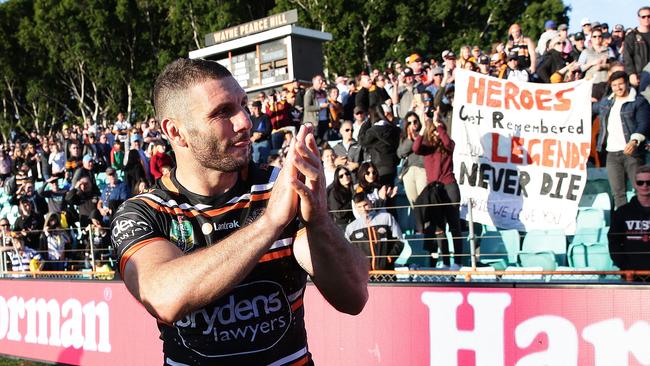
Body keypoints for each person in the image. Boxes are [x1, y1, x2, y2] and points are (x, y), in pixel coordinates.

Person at [110, 58, 368, 365]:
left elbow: (354, 297)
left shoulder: (280, 185)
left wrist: (319, 221)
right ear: (176, 132)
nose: (245, 121)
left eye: (243, 104)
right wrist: (270, 223)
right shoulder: (145, 212)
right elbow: (163, 296)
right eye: (222, 112)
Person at [413, 114, 462, 268]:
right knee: (439, 228)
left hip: (449, 187)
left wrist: (438, 125)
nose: (435, 134)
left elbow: (449, 143)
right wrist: (423, 127)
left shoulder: (447, 147)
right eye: (433, 131)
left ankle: (458, 262)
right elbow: (415, 148)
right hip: (434, 191)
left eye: (437, 131)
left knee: (454, 226)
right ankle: (446, 263)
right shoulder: (427, 148)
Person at [594, 71, 650, 208]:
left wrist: (634, 140)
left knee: (642, 191)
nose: (618, 88)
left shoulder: (639, 101)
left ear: (626, 83)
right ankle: (623, 225)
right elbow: (589, 109)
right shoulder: (606, 102)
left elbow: (644, 123)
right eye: (614, 85)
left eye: (620, 84)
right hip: (612, 154)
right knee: (618, 193)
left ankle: (644, 223)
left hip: (632, 153)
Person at [345, 193, 405, 271]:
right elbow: (347, 251)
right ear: (355, 208)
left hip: (386, 272)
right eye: (359, 207)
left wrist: (389, 259)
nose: (363, 209)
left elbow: (400, 241)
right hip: (364, 273)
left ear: (371, 202)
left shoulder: (386, 218)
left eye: (365, 205)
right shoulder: (351, 228)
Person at [609, 165, 650, 272]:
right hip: (631, 274)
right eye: (640, 182)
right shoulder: (622, 212)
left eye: (648, 182)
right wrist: (625, 266)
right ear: (635, 184)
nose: (645, 186)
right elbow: (614, 242)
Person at [397, 112, 427, 206]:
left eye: (415, 121)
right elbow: (400, 153)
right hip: (409, 171)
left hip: (422, 170)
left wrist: (417, 138)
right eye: (409, 123)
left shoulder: (424, 134)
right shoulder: (404, 137)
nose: (413, 124)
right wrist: (410, 140)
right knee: (414, 205)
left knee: (424, 203)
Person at [624, 6, 650, 87]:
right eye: (643, 17)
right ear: (639, 18)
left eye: (649, 16)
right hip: (640, 76)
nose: (646, 19)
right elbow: (627, 57)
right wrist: (631, 74)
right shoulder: (631, 36)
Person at [327, 165, 355, 231]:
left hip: (354, 222)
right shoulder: (334, 192)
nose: (345, 177)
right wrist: (353, 202)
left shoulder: (353, 189)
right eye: (341, 176)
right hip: (342, 226)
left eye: (347, 174)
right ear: (337, 179)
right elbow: (338, 214)